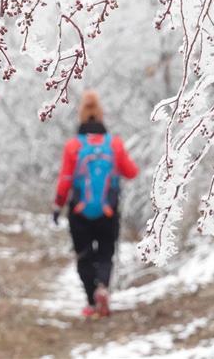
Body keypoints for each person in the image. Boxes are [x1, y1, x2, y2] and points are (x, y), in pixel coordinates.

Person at [53, 90, 139, 318]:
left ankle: (92, 301)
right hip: (108, 210)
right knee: (105, 254)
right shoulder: (115, 144)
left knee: (84, 256)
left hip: (79, 211)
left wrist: (57, 205)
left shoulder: (73, 146)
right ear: (102, 116)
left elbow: (65, 180)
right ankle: (103, 287)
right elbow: (131, 172)